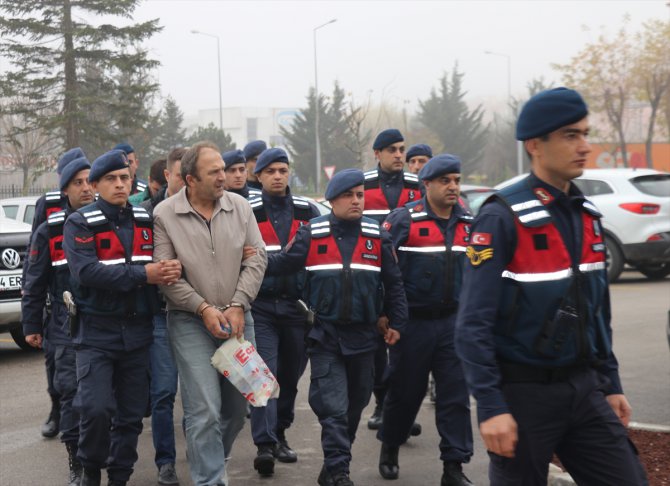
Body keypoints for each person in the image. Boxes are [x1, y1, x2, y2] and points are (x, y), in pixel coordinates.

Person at [455, 87, 648, 486]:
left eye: (585, 133)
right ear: (535, 145)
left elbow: (597, 314)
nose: (585, 146)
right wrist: (490, 405)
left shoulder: (588, 216)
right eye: (570, 135)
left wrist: (610, 384)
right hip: (523, 396)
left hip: (584, 390)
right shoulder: (502, 217)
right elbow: (472, 324)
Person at [266, 168, 408, 486]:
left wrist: (397, 321)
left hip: (365, 336)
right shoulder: (312, 233)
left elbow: (393, 283)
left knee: (356, 405)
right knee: (333, 407)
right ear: (332, 200)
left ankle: (333, 465)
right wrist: (252, 258)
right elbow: (282, 264)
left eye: (359, 195)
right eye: (348, 195)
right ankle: (340, 471)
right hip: (325, 335)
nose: (356, 201)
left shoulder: (376, 234)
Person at [63, 149, 182, 486]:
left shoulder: (147, 220)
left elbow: (170, 257)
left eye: (124, 178)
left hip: (139, 332)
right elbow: (87, 272)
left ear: (132, 181)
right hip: (96, 333)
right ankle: (90, 467)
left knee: (130, 416)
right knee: (96, 408)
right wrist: (145, 274)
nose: (119, 184)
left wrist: (172, 268)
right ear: (96, 184)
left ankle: (119, 475)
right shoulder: (80, 222)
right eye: (111, 179)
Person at [153, 141, 267, 486]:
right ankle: (210, 479)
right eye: (214, 171)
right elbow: (167, 276)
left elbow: (257, 259)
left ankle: (209, 454)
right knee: (203, 409)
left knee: (236, 410)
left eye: (224, 169)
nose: (225, 176)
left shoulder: (241, 208)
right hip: (190, 322)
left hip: (238, 320)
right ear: (191, 179)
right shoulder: (165, 215)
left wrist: (236, 304)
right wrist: (202, 308)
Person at [377, 154, 474, 486]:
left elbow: (478, 275)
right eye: (445, 181)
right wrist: (387, 316)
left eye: (457, 180)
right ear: (427, 184)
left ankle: (454, 466)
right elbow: (385, 273)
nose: (453, 187)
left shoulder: (468, 223)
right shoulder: (404, 220)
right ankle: (390, 445)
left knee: (455, 396)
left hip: (452, 324)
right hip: (413, 324)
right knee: (406, 392)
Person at [247, 147, 321, 477]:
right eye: (271, 171)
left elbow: (312, 255)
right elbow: (240, 258)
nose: (278, 176)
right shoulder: (245, 211)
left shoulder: (308, 210)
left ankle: (280, 433)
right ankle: (264, 444)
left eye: (283, 170)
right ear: (258, 176)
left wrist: (263, 262)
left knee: (290, 376)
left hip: (296, 306)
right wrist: (281, 262)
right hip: (259, 305)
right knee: (263, 373)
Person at [22, 156, 94, 486]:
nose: (85, 188)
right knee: (71, 394)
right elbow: (34, 280)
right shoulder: (49, 230)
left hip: (105, 323)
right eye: (77, 183)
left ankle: (99, 452)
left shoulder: (106, 222)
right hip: (64, 324)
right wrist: (31, 325)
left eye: (89, 181)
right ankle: (76, 461)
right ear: (64, 189)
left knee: (104, 399)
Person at [363, 129, 420, 433]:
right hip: (371, 276)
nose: (399, 155)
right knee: (375, 349)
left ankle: (398, 410)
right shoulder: (364, 185)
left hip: (405, 279)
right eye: (392, 150)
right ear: (377, 154)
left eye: (401, 149)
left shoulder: (416, 185)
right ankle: (381, 402)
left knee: (404, 348)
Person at [28, 146, 86, 440]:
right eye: (74, 179)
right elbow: (36, 257)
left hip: (83, 305)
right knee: (57, 369)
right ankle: (56, 411)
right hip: (56, 302)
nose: (84, 186)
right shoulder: (47, 204)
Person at [140, 147, 186, 486]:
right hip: (159, 315)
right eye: (180, 175)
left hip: (198, 313)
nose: (186, 181)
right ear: (166, 176)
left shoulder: (207, 211)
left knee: (203, 396)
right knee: (163, 392)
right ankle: (165, 463)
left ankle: (200, 452)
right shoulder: (144, 215)